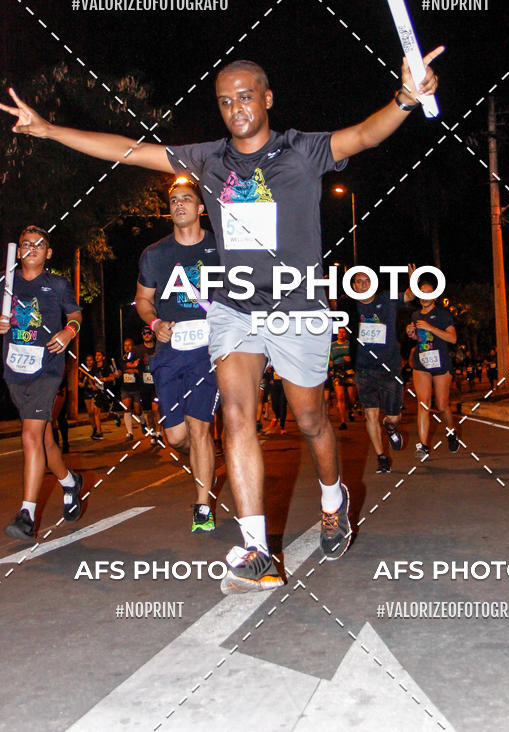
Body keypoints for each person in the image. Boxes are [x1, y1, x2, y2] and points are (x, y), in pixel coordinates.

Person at [1, 48, 442, 590]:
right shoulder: (209, 160)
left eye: (246, 96)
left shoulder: (301, 151)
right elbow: (130, 151)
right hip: (234, 309)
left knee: (310, 419)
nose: (236, 107)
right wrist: (48, 130)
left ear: (267, 99)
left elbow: (365, 135)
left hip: (296, 305)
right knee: (237, 412)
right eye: (225, 100)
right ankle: (257, 548)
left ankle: (333, 496)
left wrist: (405, 97)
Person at [135, 177, 220, 533]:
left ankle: (202, 507)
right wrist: (154, 323)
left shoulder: (222, 249)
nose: (179, 205)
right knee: (175, 436)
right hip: (169, 352)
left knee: (200, 428)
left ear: (201, 208)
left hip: (208, 350)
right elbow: (143, 300)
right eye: (174, 201)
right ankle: (207, 460)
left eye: (187, 199)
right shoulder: (155, 254)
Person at [0, 225, 83, 539]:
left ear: (48, 253)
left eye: (38, 244)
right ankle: (69, 482)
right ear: (18, 250)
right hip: (14, 371)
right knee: (44, 439)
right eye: (25, 243)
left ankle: (27, 515)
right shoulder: (6, 284)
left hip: (47, 370)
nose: (31, 247)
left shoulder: (57, 285)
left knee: (30, 436)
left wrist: (68, 331)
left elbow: (75, 314)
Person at [352, 269, 415, 473]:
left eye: (366, 280)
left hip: (389, 367)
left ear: (373, 283)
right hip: (364, 369)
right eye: (358, 281)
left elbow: (408, 295)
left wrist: (413, 281)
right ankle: (381, 457)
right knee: (370, 415)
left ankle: (390, 426)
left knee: (394, 416)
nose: (363, 284)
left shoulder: (387, 299)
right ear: (354, 286)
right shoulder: (351, 307)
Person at [407, 280, 458, 459]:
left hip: (441, 364)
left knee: (442, 405)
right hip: (421, 363)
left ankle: (451, 432)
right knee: (423, 403)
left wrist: (431, 327)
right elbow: (420, 339)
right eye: (422, 292)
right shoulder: (415, 315)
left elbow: (452, 339)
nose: (424, 296)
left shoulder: (443, 315)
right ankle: (423, 446)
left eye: (429, 293)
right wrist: (412, 333)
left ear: (434, 296)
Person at [139, 326, 163, 446]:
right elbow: (128, 363)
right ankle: (153, 433)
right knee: (148, 411)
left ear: (153, 334)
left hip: (157, 385)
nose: (146, 335)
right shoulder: (138, 350)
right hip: (144, 386)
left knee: (156, 409)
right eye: (144, 333)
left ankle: (159, 433)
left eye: (149, 333)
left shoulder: (158, 347)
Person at [119, 337, 143, 442]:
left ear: (133, 346)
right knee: (126, 407)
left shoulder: (138, 357)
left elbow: (140, 370)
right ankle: (129, 433)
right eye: (125, 345)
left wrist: (134, 369)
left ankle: (143, 422)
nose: (127, 347)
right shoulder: (122, 358)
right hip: (125, 388)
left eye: (129, 345)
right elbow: (122, 369)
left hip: (136, 387)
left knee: (137, 410)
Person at [79, 354, 103, 440]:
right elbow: (80, 381)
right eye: (87, 360)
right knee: (90, 413)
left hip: (94, 393)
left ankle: (99, 430)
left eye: (91, 360)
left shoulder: (95, 369)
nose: (89, 362)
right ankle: (94, 428)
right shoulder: (83, 370)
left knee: (94, 411)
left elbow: (97, 380)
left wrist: (93, 383)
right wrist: (81, 383)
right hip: (86, 392)